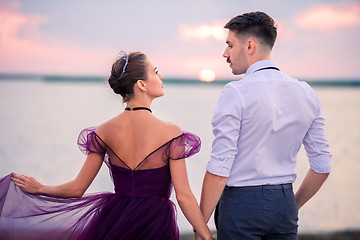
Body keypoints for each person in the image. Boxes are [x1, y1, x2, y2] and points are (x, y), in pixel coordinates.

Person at [0, 51, 214, 240]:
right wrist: (205, 234)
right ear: (142, 84)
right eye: (156, 72)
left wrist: (41, 188)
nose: (161, 76)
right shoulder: (171, 132)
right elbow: (184, 195)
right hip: (155, 224)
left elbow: (77, 188)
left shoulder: (104, 131)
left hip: (115, 221)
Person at [195, 11, 332, 240]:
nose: (225, 53)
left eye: (230, 45)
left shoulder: (235, 93)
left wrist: (201, 226)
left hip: (240, 206)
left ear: (249, 46)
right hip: (284, 204)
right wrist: (289, 206)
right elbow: (322, 166)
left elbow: (220, 167)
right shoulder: (306, 92)